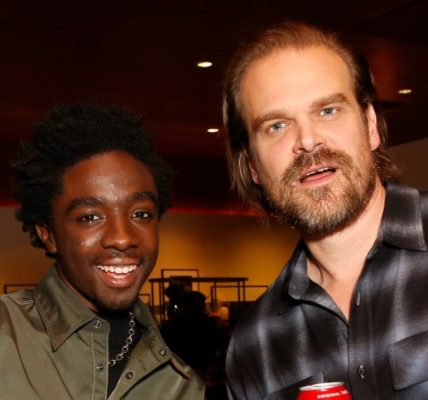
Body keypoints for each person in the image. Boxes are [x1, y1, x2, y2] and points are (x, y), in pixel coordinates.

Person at [222, 20, 428, 400]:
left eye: (328, 110)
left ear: (370, 125)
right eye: (277, 126)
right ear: (253, 166)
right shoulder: (255, 343)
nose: (308, 140)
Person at [0, 102, 205, 399]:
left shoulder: (180, 386)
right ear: (48, 234)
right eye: (90, 217)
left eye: (141, 214)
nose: (122, 238)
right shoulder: (6, 338)